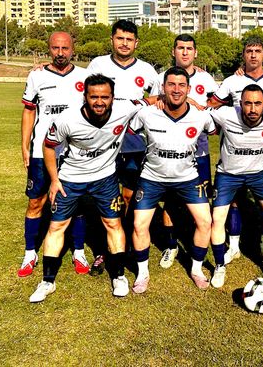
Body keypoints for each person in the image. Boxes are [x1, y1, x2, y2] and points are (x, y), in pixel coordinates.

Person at [29, 74, 146, 302]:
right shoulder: (67, 119)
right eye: (94, 97)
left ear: (113, 97)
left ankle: (119, 276)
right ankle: (47, 281)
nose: (99, 102)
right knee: (57, 226)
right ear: (85, 97)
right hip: (70, 179)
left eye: (105, 97)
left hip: (105, 179)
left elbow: (154, 101)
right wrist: (54, 180)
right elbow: (48, 146)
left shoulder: (125, 109)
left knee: (113, 223)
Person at [208, 36, 263, 262]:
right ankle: (234, 244)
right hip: (234, 151)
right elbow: (213, 106)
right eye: (249, 51)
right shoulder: (231, 81)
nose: (254, 55)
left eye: (258, 51)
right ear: (244, 55)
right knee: (235, 200)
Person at [129, 67, 216, 292]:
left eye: (181, 85)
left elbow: (215, 127)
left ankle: (196, 268)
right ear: (163, 88)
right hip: (152, 177)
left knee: (205, 222)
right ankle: (142, 273)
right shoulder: (146, 114)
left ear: (189, 89)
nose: (176, 90)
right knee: (139, 224)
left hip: (187, 178)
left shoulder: (201, 116)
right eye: (171, 85)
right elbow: (129, 121)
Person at [86, 19, 159, 275]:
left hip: (134, 144)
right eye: (120, 38)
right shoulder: (98, 65)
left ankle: (124, 243)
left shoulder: (148, 70)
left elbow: (157, 100)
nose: (124, 43)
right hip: (103, 142)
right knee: (100, 197)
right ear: (112, 40)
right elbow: (84, 95)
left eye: (129, 39)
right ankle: (102, 251)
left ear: (136, 43)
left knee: (128, 196)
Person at [208, 85, 263, 288]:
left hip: (260, 175)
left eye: (257, 104)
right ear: (240, 104)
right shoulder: (225, 114)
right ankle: (219, 265)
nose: (252, 109)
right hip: (228, 175)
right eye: (247, 103)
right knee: (217, 218)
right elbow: (199, 108)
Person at [18, 31, 90, 278]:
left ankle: (79, 251)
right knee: (35, 202)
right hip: (41, 150)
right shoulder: (36, 75)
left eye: (65, 48)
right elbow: (29, 112)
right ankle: (30, 253)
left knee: (77, 204)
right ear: (49, 49)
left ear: (73, 49)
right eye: (55, 48)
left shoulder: (84, 76)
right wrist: (25, 145)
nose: (60, 53)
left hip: (73, 153)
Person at [156, 34, 219, 270]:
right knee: (171, 203)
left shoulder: (206, 78)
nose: (184, 52)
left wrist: (202, 107)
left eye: (189, 48)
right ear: (174, 51)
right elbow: (152, 102)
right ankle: (171, 246)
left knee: (200, 202)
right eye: (180, 48)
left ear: (195, 53)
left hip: (199, 152)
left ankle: (196, 244)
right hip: (169, 152)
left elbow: (218, 102)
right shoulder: (162, 77)